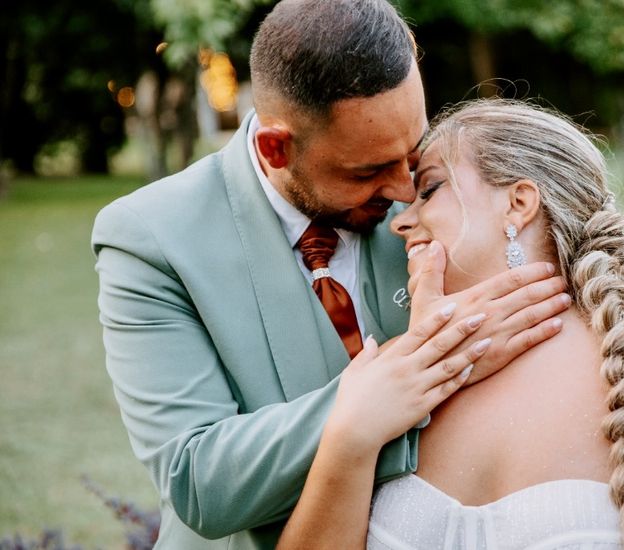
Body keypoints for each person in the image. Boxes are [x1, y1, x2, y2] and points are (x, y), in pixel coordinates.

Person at [91, 2, 570, 548]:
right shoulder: (150, 239)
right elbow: (201, 483)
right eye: (367, 171)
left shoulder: (433, 204)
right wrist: (420, 370)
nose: (403, 192)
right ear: (276, 147)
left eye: (411, 156)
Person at [276, 99, 624, 550]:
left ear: (518, 203)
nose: (403, 220)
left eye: (430, 189)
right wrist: (351, 435)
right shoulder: (393, 376)